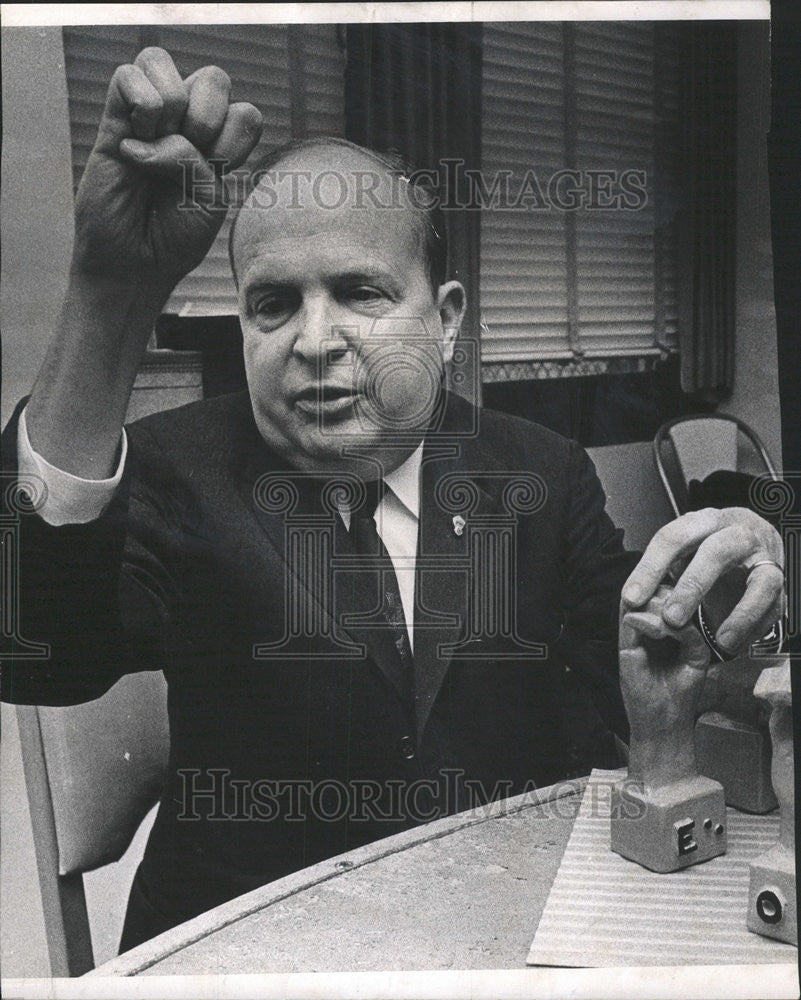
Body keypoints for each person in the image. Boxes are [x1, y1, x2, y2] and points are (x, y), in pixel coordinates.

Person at [1, 48, 785, 953]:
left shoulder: (540, 469)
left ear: (445, 318)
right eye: (271, 306)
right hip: (255, 950)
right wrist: (109, 290)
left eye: (360, 293)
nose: (315, 340)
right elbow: (37, 654)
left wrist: (734, 610)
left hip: (509, 929)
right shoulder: (178, 469)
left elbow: (647, 664)